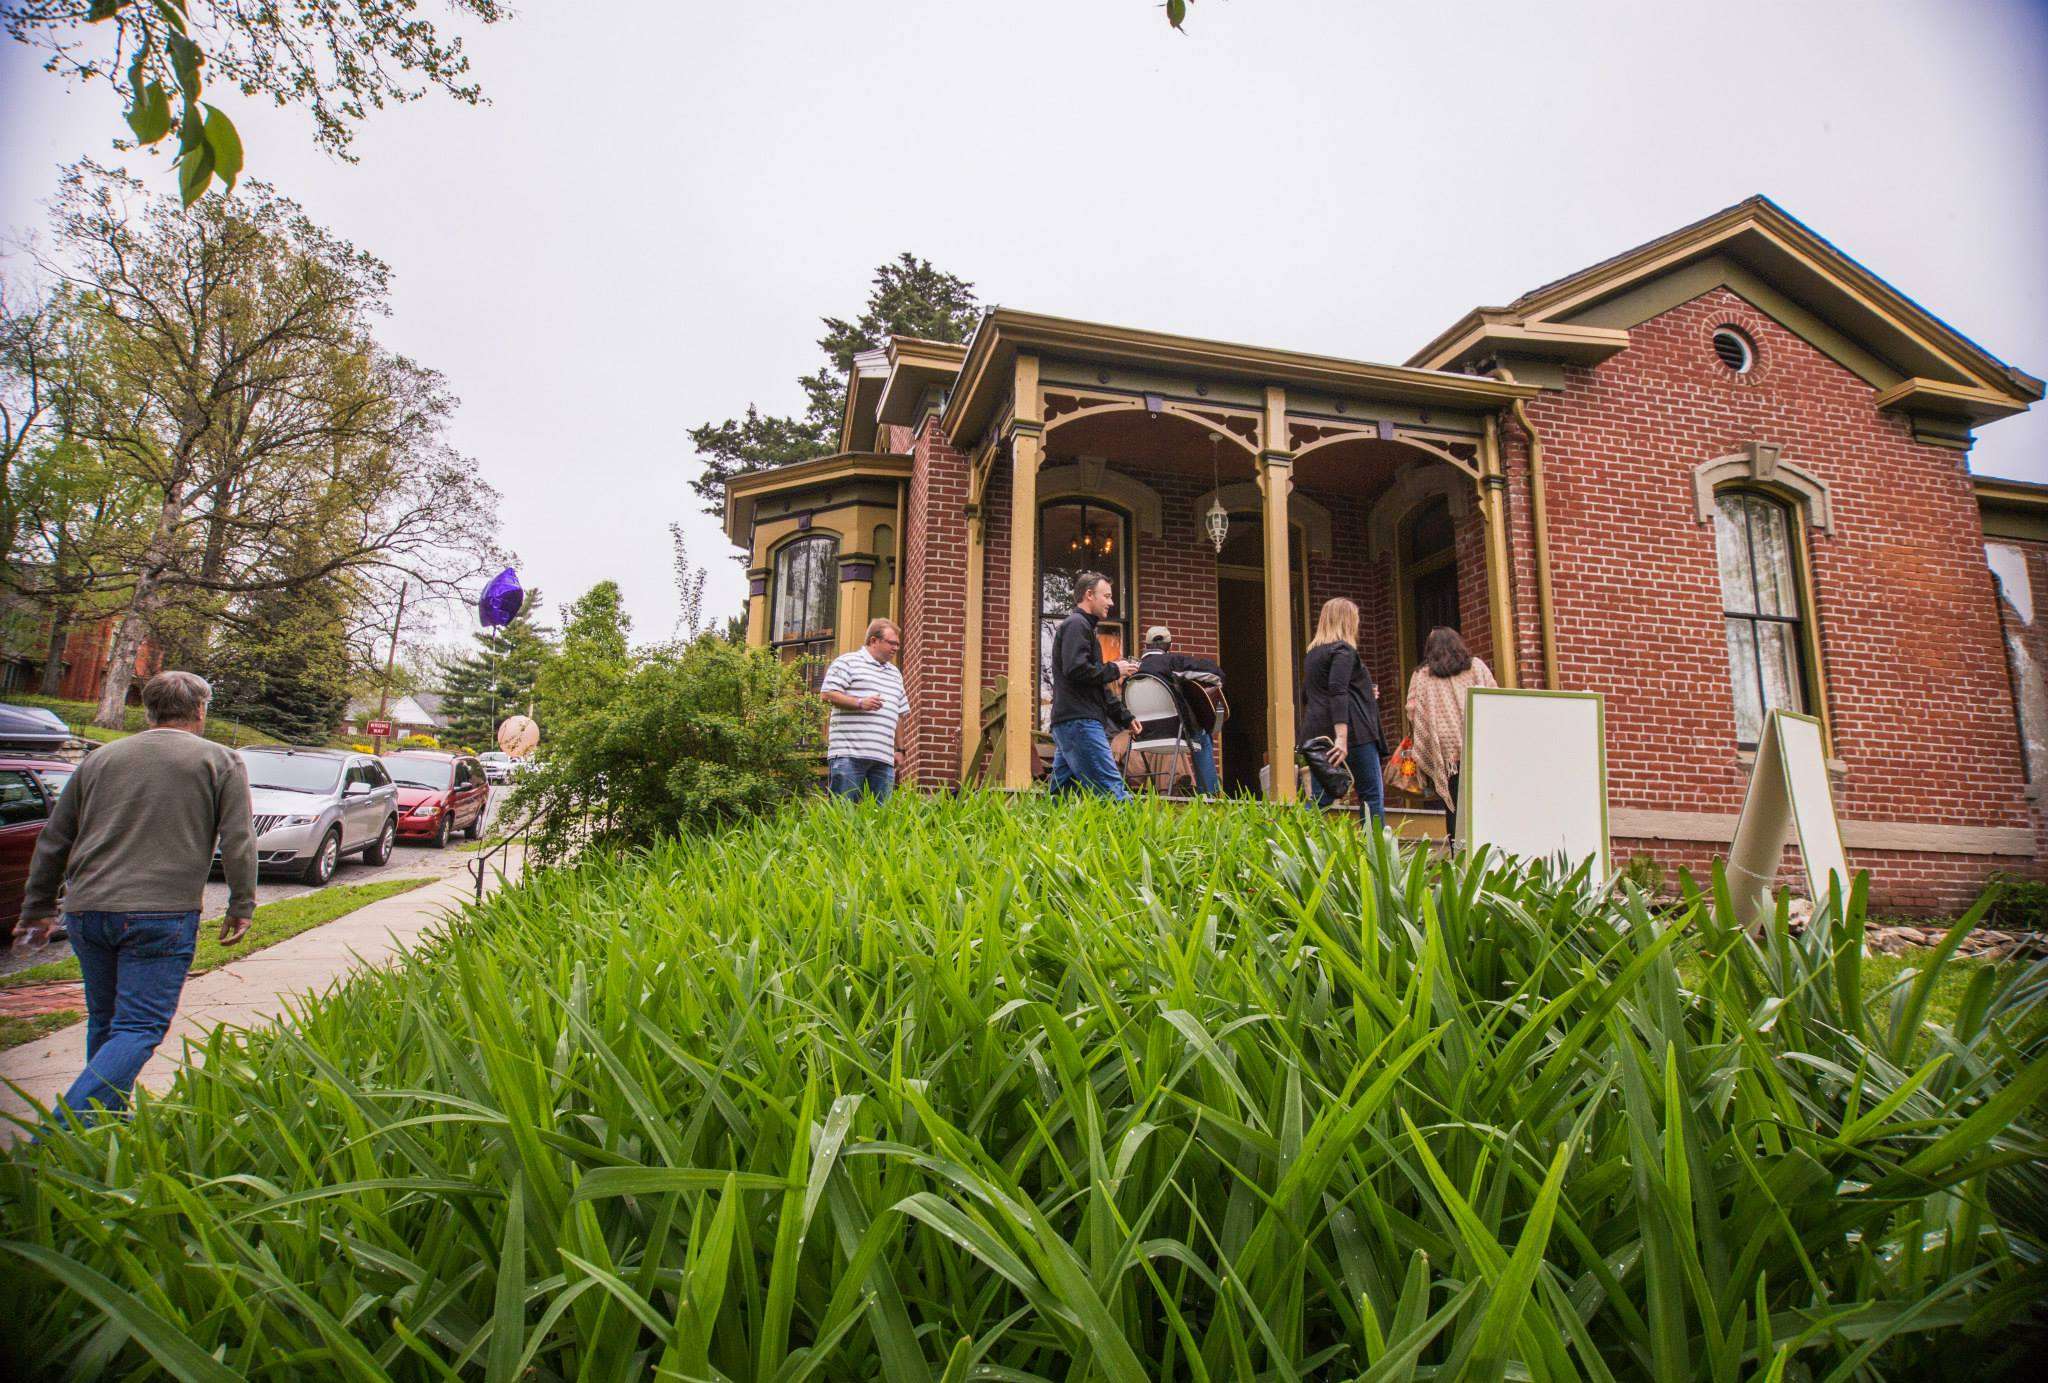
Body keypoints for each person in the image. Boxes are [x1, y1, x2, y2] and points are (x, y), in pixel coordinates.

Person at [17, 671, 257, 1121]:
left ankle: (101, 1128)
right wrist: (241, 904)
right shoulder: (220, 761)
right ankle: (61, 1134)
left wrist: (38, 908)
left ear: (148, 709)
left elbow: (54, 839)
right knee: (140, 1026)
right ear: (201, 710)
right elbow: (239, 840)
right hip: (161, 914)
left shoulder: (100, 759)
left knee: (106, 1022)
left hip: (88, 910)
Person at [1047, 571, 1140, 800]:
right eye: (1106, 596)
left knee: (1062, 799)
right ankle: (1133, 834)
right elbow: (1076, 669)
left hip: (1072, 722)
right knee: (1112, 792)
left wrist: (1124, 717)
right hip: (1080, 723)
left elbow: (1096, 687)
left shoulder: (1085, 629)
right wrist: (1115, 669)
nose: (1111, 602)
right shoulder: (1076, 625)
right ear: (1089, 595)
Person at [1299, 597, 1388, 823]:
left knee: (1322, 797)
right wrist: (1341, 738)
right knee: (1371, 797)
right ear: (1347, 621)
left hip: (1318, 736)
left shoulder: (1312, 655)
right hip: (1353, 735)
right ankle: (1376, 853)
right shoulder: (1343, 650)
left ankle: (1293, 840)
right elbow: (1337, 691)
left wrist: (1365, 691)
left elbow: (1308, 695)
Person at [1404, 625, 1496, 838]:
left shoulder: (1422, 675)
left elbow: (1412, 710)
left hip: (1446, 754)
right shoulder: (1477, 667)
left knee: (1453, 806)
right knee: (1481, 803)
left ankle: (1458, 856)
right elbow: (1494, 696)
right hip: (1476, 747)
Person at [818, 618, 910, 801]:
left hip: (883, 759)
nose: (896, 648)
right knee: (843, 813)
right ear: (874, 641)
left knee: (880, 818)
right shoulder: (847, 662)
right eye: (892, 643)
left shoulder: (895, 674)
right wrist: (860, 702)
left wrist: (900, 749)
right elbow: (827, 694)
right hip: (849, 755)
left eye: (898, 644)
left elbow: (899, 713)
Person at [1136, 625, 1223, 796]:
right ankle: (1211, 796)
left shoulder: (1136, 670)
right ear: (1169, 645)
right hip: (1174, 732)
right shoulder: (1171, 662)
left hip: (1142, 734)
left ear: (1146, 644)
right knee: (1203, 737)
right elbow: (1214, 674)